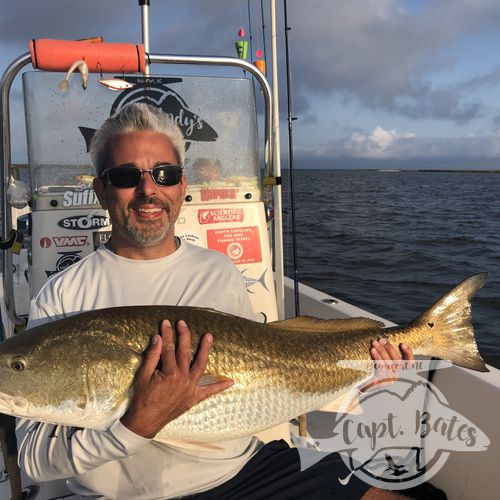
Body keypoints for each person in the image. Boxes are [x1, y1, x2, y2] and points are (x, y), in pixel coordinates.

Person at [17, 103, 422, 500]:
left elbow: (269, 373)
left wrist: (363, 378)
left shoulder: (219, 271)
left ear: (182, 186)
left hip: (243, 473)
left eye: (165, 174)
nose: (148, 190)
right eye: (126, 176)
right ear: (101, 190)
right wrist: (136, 424)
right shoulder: (63, 296)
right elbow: (33, 458)